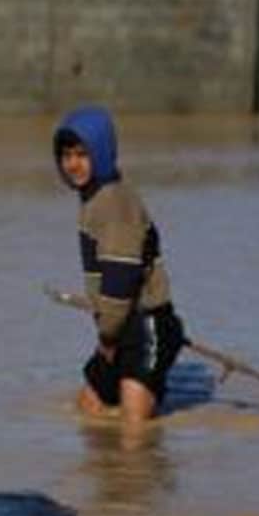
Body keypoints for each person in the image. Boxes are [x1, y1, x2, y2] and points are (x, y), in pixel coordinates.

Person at [53, 106, 184, 435]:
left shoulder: (114, 202)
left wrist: (107, 336)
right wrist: (110, 332)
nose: (73, 164)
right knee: (89, 409)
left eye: (83, 154)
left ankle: (139, 482)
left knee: (134, 432)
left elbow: (121, 278)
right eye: (66, 155)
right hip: (119, 325)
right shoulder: (93, 198)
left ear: (101, 152)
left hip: (147, 323)